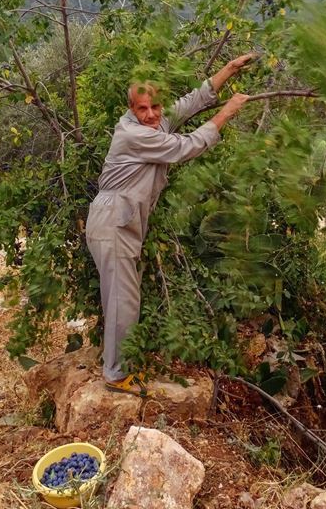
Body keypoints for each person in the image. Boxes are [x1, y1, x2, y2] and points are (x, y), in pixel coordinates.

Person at [86, 54, 255, 395]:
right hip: (112, 221)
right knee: (123, 300)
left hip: (121, 220)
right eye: (142, 109)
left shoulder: (153, 123)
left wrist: (227, 71)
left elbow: (186, 105)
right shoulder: (134, 135)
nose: (151, 115)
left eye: (155, 107)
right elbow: (185, 146)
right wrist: (226, 113)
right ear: (130, 109)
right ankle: (116, 375)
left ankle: (119, 364)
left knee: (123, 298)